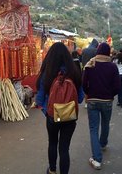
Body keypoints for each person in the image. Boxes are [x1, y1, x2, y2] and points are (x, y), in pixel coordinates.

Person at [35, 42, 83, 174]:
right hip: (70, 117)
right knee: (64, 149)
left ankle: (52, 170)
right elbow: (80, 98)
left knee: (52, 143)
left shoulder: (48, 73)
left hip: (52, 118)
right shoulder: (74, 72)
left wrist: (48, 111)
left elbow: (39, 99)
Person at [82, 42, 120, 170]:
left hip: (92, 100)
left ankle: (97, 159)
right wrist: (110, 95)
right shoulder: (113, 67)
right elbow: (117, 87)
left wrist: (89, 93)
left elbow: (84, 84)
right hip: (107, 101)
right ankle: (103, 144)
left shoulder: (90, 64)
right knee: (105, 123)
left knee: (93, 128)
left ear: (97, 51)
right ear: (108, 52)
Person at [81, 38, 99, 108]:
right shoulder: (96, 50)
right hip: (93, 70)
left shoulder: (84, 50)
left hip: (85, 69)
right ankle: (93, 100)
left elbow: (81, 59)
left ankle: (86, 102)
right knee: (93, 86)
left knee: (86, 86)